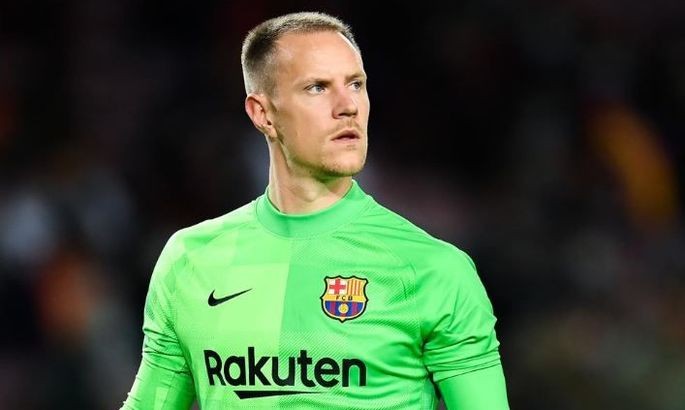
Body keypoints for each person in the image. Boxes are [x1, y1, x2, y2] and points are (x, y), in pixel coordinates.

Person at [121, 11, 509, 409]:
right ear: (263, 113)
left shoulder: (432, 270)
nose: (347, 106)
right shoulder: (191, 261)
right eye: (317, 88)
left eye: (356, 84)